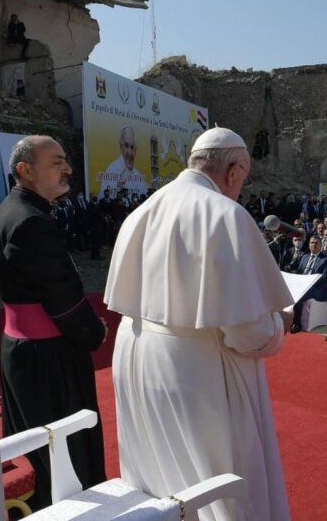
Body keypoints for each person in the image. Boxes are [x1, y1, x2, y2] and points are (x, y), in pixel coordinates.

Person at [105, 127, 295, 520]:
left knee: (157, 473)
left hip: (135, 354)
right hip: (194, 370)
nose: (241, 186)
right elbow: (249, 334)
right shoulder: (225, 215)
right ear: (233, 169)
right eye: (243, 177)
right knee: (215, 486)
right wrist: (281, 322)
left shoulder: (142, 209)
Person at [0, 136, 107, 510]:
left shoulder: (17, 209)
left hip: (29, 353)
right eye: (56, 162)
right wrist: (94, 332)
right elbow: (63, 298)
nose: (67, 169)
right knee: (61, 455)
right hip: (47, 359)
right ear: (26, 170)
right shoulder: (29, 222)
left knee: (36, 445)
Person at [290, 236, 327, 333]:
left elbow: (325, 278)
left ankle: (297, 323)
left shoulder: (326, 259)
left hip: (317, 289)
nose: (314, 245)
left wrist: (309, 282)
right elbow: (298, 273)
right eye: (312, 243)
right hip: (302, 285)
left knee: (300, 294)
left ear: (321, 245)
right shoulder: (304, 257)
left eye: (316, 243)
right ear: (309, 245)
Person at [98, 125, 149, 196]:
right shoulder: (112, 169)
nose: (129, 153)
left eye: (132, 147)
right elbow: (102, 198)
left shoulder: (137, 174)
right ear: (121, 145)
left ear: (136, 150)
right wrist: (118, 185)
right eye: (126, 145)